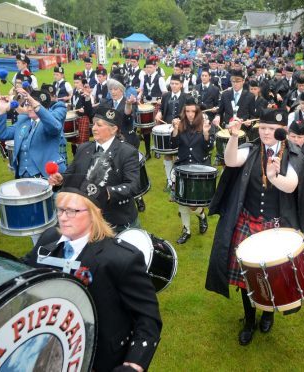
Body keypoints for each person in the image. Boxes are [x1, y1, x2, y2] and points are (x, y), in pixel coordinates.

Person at [205, 108, 304, 346]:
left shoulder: (294, 155)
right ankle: (249, 320)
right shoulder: (253, 148)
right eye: (263, 128)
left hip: (275, 227)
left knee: (273, 276)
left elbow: (290, 186)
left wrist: (274, 176)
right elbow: (230, 160)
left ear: (283, 131)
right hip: (247, 222)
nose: (266, 133)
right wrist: (235, 137)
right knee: (248, 277)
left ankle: (268, 314)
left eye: (272, 129)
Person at [23, 185, 162, 372]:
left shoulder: (121, 258)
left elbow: (147, 318)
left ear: (93, 213)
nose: (63, 217)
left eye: (72, 211)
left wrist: (133, 364)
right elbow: (25, 267)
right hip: (48, 347)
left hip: (100, 357)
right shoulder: (49, 238)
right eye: (61, 210)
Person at [49, 106, 141, 232]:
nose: (93, 128)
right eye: (93, 124)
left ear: (113, 129)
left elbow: (134, 185)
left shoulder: (127, 152)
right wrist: (61, 179)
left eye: (99, 125)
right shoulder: (83, 148)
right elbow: (71, 174)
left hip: (117, 220)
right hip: (86, 218)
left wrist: (108, 192)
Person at [169, 98, 213, 244]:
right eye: (187, 111)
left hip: (199, 168)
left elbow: (209, 147)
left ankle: (201, 216)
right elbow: (173, 144)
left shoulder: (204, 124)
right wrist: (175, 130)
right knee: (181, 201)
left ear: (197, 112)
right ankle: (186, 230)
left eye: (192, 111)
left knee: (193, 205)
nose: (189, 114)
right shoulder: (180, 124)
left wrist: (206, 134)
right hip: (182, 167)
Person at [156, 74, 189, 191]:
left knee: (180, 154)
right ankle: (170, 181)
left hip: (182, 129)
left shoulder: (186, 97)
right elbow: (162, 109)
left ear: (181, 85)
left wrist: (180, 121)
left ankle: (179, 180)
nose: (174, 86)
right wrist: (159, 113)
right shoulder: (165, 96)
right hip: (166, 128)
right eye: (172, 83)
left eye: (176, 84)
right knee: (167, 154)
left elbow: (191, 114)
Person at [69, 72, 94, 155]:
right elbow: (73, 105)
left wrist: (87, 98)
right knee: (74, 142)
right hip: (75, 119)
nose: (76, 85)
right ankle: (75, 157)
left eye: (78, 82)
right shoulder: (74, 93)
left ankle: (84, 160)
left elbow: (90, 111)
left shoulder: (86, 93)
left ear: (83, 83)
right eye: (75, 82)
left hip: (83, 119)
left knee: (82, 144)